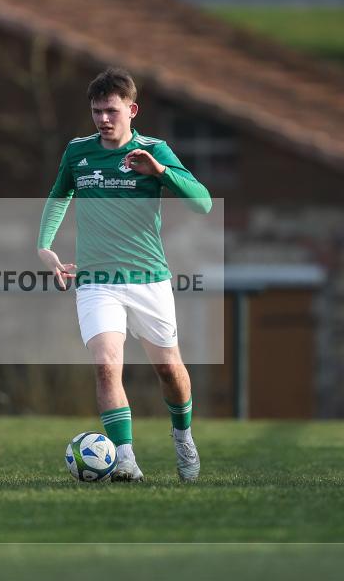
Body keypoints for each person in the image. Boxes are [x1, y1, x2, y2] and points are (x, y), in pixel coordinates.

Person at [37, 68, 212, 482]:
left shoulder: (155, 150)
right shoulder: (78, 151)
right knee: (105, 365)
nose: (103, 119)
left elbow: (203, 203)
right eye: (97, 111)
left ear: (131, 110)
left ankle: (183, 436)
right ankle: (125, 458)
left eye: (112, 111)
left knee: (169, 369)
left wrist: (161, 174)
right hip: (96, 281)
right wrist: (45, 246)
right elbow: (59, 195)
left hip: (149, 278)